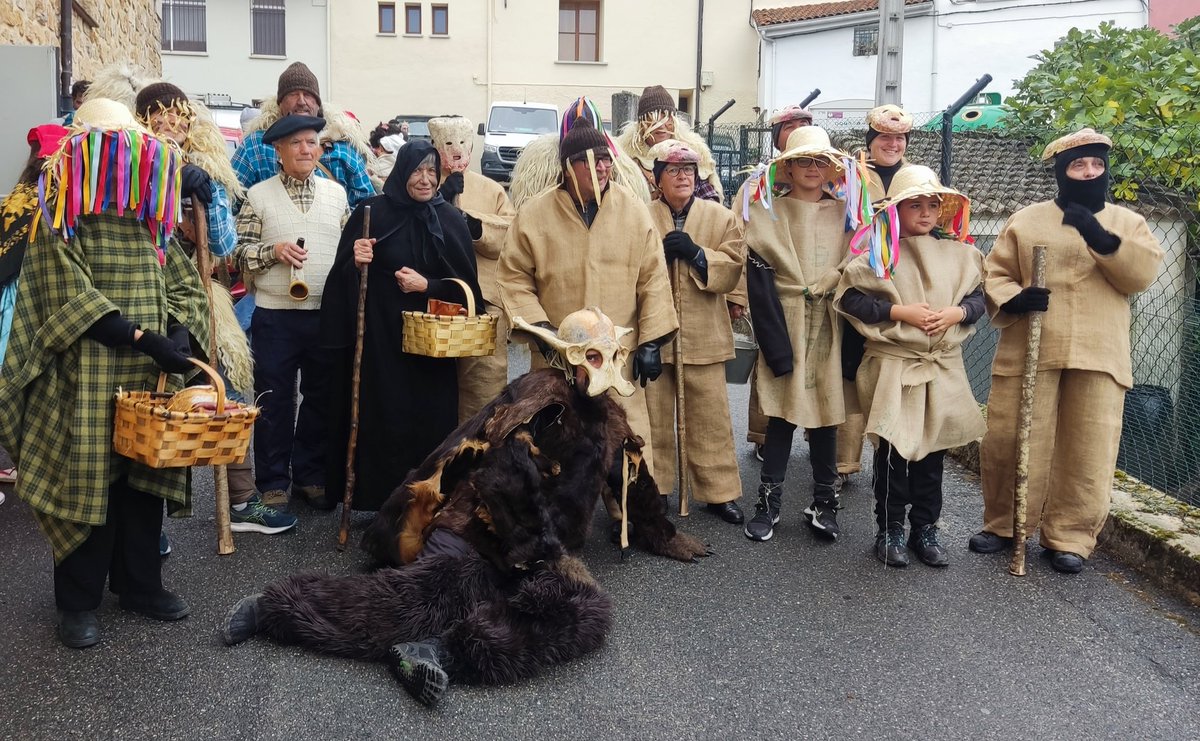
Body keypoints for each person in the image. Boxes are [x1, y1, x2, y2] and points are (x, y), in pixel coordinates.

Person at [221, 308, 709, 707]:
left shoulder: (610, 419)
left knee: (583, 611)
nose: (607, 369)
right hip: (479, 534)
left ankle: (438, 655)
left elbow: (633, 481)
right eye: (597, 356)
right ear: (572, 359)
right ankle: (277, 608)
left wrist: (661, 534)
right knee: (420, 602)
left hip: (536, 552)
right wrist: (536, 551)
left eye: (614, 355)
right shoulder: (543, 397)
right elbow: (504, 471)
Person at [0, 98, 211, 648]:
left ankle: (140, 585)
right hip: (84, 374)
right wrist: (143, 337)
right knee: (88, 481)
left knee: (142, 481)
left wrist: (180, 333)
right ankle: (77, 602)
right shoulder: (60, 215)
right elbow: (68, 296)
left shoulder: (149, 220)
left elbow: (182, 283)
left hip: (147, 375)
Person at [972, 128, 1164, 574]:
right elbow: (995, 274)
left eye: (1096, 165)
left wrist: (1100, 237)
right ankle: (1004, 524)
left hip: (1099, 351)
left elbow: (1137, 277)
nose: (1089, 172)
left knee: (1089, 446)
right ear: (1062, 172)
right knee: (1010, 438)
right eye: (1078, 165)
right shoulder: (1026, 220)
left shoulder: (1128, 223)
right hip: (1032, 348)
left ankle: (1070, 537)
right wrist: (1015, 297)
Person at [499, 117, 677, 480]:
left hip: (615, 352)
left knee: (624, 430)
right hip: (558, 352)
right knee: (555, 433)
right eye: (591, 160)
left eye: (607, 158)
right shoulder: (534, 213)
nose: (603, 166)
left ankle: (628, 511)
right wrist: (541, 330)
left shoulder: (632, 210)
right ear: (567, 166)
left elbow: (654, 278)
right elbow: (514, 276)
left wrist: (652, 341)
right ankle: (555, 513)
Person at [319, 140, 482, 513]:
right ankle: (378, 503)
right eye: (416, 171)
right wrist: (356, 261)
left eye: (431, 172)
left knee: (431, 427)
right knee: (384, 423)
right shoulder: (372, 213)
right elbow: (341, 281)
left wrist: (428, 286)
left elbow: (470, 292)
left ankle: (425, 506)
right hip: (381, 345)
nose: (425, 180)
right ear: (401, 172)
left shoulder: (450, 219)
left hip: (432, 351)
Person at [836, 166, 986, 566]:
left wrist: (957, 312)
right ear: (895, 211)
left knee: (932, 455)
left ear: (942, 211)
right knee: (893, 453)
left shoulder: (961, 255)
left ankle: (925, 528)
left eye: (931, 205)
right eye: (914, 204)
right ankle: (889, 531)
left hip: (938, 368)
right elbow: (852, 300)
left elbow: (978, 299)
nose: (924, 212)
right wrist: (898, 310)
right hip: (893, 368)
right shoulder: (877, 255)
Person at [741, 126, 867, 542]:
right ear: (788, 168)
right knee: (781, 412)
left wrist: (833, 278)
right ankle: (769, 501)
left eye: (820, 162)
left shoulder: (848, 214)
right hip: (785, 316)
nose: (812, 169)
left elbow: (860, 264)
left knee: (827, 413)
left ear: (831, 169)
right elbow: (759, 276)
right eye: (802, 161)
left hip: (832, 317)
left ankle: (824, 502)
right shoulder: (767, 213)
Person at [235, 114, 350, 511]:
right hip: (275, 315)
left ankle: (310, 475)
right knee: (274, 400)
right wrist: (274, 251)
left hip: (325, 314)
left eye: (312, 142)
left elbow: (351, 249)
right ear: (279, 151)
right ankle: (272, 482)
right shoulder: (258, 195)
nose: (306, 149)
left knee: (321, 398)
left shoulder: (337, 195)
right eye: (297, 143)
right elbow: (238, 253)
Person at [643, 141, 746, 524]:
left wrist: (698, 255)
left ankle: (718, 493)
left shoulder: (720, 217)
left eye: (689, 168)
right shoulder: (642, 216)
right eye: (673, 169)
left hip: (704, 333)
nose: (683, 174)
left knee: (711, 417)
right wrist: (658, 256)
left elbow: (735, 264)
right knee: (653, 415)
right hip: (655, 330)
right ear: (657, 179)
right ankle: (655, 489)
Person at [426, 115, 518, 422]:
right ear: (436, 147)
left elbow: (510, 235)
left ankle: (480, 454)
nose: (455, 152)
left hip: (483, 302)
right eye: (448, 144)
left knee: (484, 386)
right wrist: (442, 199)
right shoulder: (422, 183)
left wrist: (472, 226)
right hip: (432, 301)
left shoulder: (492, 190)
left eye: (462, 144)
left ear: (472, 146)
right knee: (432, 382)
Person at [739, 105, 816, 459]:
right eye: (790, 126)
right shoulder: (758, 182)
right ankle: (764, 434)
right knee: (771, 361)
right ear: (777, 135)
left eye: (805, 125)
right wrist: (741, 291)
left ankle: (828, 448)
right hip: (772, 287)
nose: (797, 131)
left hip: (818, 289)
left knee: (821, 368)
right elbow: (741, 234)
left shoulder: (834, 179)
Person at [0, 124, 70, 489]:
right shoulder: (52, 193)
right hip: (29, 295)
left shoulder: (19, 191)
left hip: (7, 293)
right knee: (27, 375)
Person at [233, 62, 375, 208]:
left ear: (318, 104)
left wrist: (338, 219)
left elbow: (366, 207)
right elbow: (230, 200)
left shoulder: (344, 148)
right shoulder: (256, 146)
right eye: (293, 94)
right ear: (280, 104)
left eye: (307, 95)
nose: (301, 101)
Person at [508, 96, 649, 211]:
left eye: (604, 158)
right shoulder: (539, 184)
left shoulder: (627, 193)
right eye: (589, 159)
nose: (600, 168)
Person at [616, 85, 723, 202]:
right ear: (641, 124)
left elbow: (710, 202)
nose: (661, 125)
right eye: (653, 118)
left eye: (666, 117)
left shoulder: (691, 152)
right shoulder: (625, 161)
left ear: (674, 120)